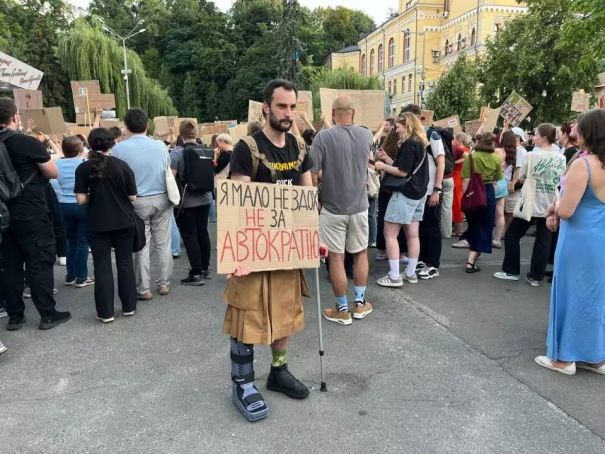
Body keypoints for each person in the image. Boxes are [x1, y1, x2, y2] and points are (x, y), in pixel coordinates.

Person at [224, 79, 313, 422]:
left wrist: (312, 237)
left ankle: (278, 371)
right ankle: (243, 384)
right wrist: (236, 255)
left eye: (292, 107)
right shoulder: (246, 148)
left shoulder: (300, 147)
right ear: (266, 107)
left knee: (285, 313)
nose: (288, 113)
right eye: (281, 106)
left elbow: (306, 199)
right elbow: (237, 203)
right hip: (254, 249)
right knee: (244, 315)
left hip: (286, 249)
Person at [535, 108, 605, 376]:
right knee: (596, 296)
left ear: (588, 132)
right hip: (600, 238)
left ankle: (564, 358)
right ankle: (595, 356)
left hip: (578, 239)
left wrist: (554, 206)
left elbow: (566, 210)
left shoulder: (583, 164)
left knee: (571, 293)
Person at [0, 97, 71, 331]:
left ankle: (15, 316)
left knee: (9, 264)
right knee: (39, 260)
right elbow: (52, 172)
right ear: (14, 117)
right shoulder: (26, 143)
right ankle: (47, 314)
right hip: (30, 209)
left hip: (3, 214)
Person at [310, 95, 373, 325]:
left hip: (332, 208)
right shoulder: (366, 135)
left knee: (336, 258)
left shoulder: (322, 137)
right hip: (360, 206)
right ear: (353, 113)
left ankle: (342, 309)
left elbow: (313, 172)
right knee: (361, 253)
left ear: (333, 113)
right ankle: (360, 303)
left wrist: (316, 200)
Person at [74, 128, 138, 323]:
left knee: (101, 266)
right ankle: (129, 306)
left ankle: (105, 312)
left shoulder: (83, 168)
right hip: (123, 221)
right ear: (112, 143)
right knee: (125, 263)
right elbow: (133, 197)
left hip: (97, 222)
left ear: (90, 144)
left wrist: (94, 195)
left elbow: (80, 200)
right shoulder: (122, 166)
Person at [494, 123, 566, 286]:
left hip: (531, 201)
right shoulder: (561, 157)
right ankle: (535, 276)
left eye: (536, 135)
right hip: (550, 200)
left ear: (544, 138)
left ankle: (511, 270)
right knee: (543, 241)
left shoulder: (531, 155)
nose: (533, 137)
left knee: (512, 234)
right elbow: (561, 180)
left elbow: (522, 176)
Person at [112, 108, 173, 300]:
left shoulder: (119, 149)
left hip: (136, 201)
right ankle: (164, 283)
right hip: (162, 197)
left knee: (141, 245)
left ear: (126, 127)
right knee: (163, 243)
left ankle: (143, 288)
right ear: (147, 125)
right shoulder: (160, 146)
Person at [375, 113, 429, 287]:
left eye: (398, 127)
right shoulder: (420, 143)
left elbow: (402, 172)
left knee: (390, 234)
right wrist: (388, 159)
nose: (396, 130)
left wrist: (383, 165)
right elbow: (406, 168)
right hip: (418, 194)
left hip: (404, 194)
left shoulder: (408, 144)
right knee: (413, 235)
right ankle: (410, 273)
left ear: (407, 125)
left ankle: (394, 276)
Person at [401, 104, 445, 280]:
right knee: (419, 228)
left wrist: (436, 189)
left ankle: (432, 263)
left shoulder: (432, 135)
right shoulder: (412, 138)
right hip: (417, 191)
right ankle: (422, 260)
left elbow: (441, 162)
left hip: (429, 189)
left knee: (431, 227)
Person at [171, 120, 213, 286]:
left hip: (187, 201)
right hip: (206, 198)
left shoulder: (176, 153)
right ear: (196, 133)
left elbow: (171, 177)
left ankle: (195, 273)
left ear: (180, 134)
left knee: (190, 236)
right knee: (203, 233)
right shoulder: (206, 150)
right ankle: (205, 269)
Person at [461, 133, 503, 273]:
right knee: (485, 226)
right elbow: (496, 181)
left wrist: (465, 196)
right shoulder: (496, 159)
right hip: (488, 192)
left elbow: (466, 179)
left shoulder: (471, 157)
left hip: (473, 193)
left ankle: (472, 256)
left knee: (474, 225)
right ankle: (471, 259)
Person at [55, 136, 93, 288]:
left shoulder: (57, 163)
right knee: (83, 241)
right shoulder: (83, 163)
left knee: (71, 241)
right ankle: (82, 277)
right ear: (80, 149)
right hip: (81, 203)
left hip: (64, 204)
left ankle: (70, 275)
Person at [452, 132, 471, 237]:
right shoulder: (466, 149)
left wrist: (455, 162)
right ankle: (458, 228)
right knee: (458, 201)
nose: (454, 141)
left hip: (458, 176)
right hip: (461, 175)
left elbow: (469, 157)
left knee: (457, 202)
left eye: (455, 139)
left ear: (459, 140)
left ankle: (458, 229)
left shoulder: (462, 149)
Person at [492, 136, 508, 248]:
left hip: (493, 182)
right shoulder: (503, 151)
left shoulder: (494, 151)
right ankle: (497, 239)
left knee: (486, 212)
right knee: (500, 213)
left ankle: (484, 238)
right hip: (502, 181)